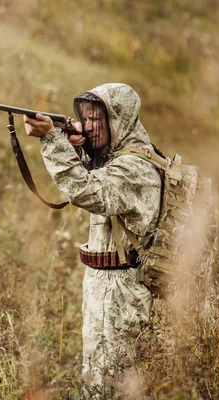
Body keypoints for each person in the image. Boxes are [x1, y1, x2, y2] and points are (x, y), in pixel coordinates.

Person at [23, 83, 161, 397]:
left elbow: (89, 191)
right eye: (86, 119)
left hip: (124, 294)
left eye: (99, 120)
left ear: (120, 121)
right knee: (98, 380)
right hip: (109, 288)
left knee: (111, 387)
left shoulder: (135, 168)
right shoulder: (119, 160)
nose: (89, 126)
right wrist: (81, 148)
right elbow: (101, 182)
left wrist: (51, 139)